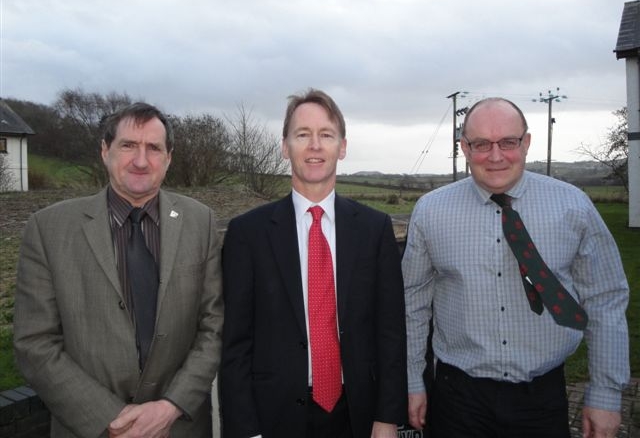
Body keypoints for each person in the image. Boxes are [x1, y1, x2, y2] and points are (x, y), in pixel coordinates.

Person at [403, 97, 630, 438]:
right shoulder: (431, 212)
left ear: (526, 142)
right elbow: (412, 303)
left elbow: (606, 297)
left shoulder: (574, 206)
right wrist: (412, 380)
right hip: (456, 400)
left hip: (542, 399)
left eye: (508, 142)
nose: (496, 156)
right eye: (481, 144)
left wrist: (605, 394)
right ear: (464, 148)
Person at [13, 102, 224, 438]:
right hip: (88, 429)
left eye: (153, 148)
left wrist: (170, 406)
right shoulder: (49, 228)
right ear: (104, 151)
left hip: (179, 427)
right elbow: (35, 342)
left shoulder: (200, 222)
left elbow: (214, 325)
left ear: (168, 157)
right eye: (128, 145)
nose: (141, 160)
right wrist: (110, 418)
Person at [220, 88, 407, 438]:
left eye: (326, 135)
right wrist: (245, 429)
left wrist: (387, 418)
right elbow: (235, 344)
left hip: (357, 415)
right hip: (274, 417)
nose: (315, 145)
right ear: (284, 146)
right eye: (302, 134)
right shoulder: (249, 234)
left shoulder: (374, 229)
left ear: (343, 146)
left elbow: (391, 332)